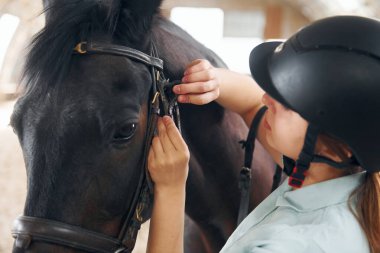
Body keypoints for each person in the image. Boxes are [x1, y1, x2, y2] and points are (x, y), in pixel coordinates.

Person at [146, 15, 380, 253]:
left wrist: (170, 189)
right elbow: (252, 103)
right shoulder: (337, 181)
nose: (267, 99)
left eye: (287, 103)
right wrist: (214, 80)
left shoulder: (289, 246)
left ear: (333, 147)